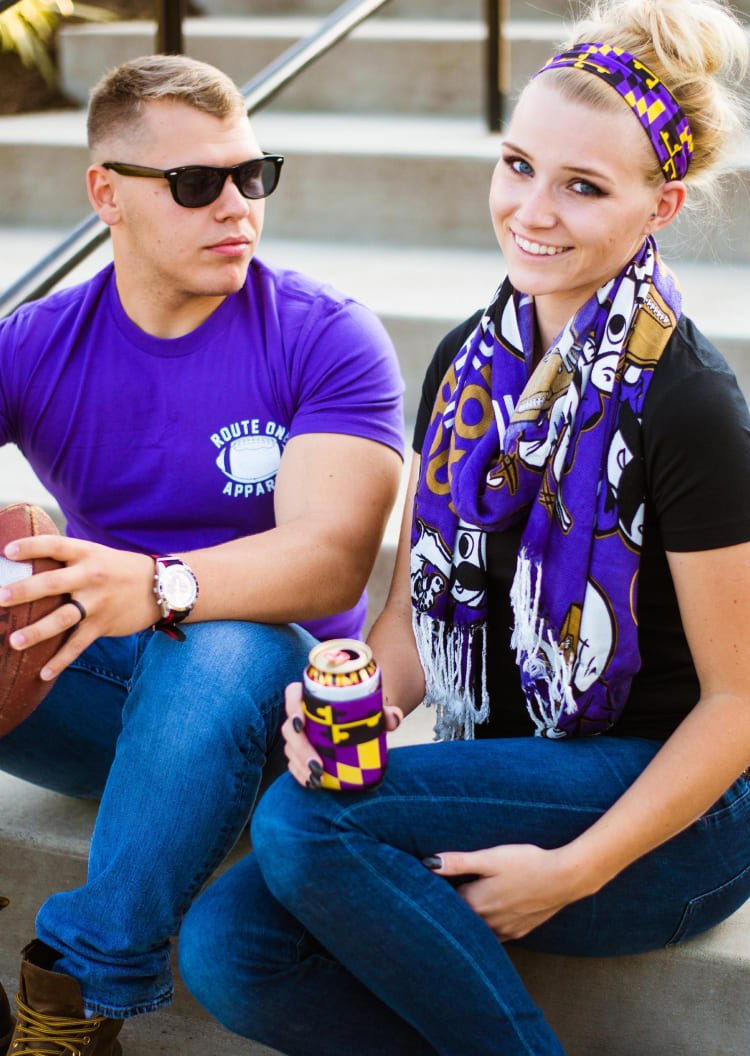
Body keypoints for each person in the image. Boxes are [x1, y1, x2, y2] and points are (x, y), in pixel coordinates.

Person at [176, 1, 750, 1053]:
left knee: (307, 824)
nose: (533, 210)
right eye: (519, 165)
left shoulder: (690, 404)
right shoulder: (467, 364)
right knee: (231, 946)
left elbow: (738, 706)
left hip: (668, 823)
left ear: (661, 204)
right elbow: (409, 620)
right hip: (509, 773)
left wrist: (572, 870)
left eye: (583, 186)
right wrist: (349, 703)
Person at [0, 54, 404, 1055]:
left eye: (252, 175)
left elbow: (329, 563)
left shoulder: (325, 336)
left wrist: (154, 585)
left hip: (273, 711)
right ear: (107, 195)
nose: (236, 206)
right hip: (103, 691)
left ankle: (74, 999)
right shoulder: (38, 344)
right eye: (195, 183)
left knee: (219, 642)